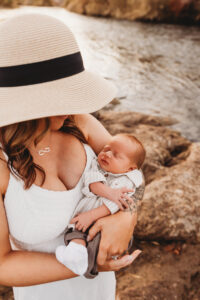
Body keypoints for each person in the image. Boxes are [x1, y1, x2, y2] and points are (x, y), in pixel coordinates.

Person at [0, 13, 143, 300]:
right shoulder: (3, 164)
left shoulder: (81, 123)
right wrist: (90, 263)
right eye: (60, 97)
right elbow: (2, 264)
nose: (74, 104)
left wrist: (127, 216)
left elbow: (132, 171)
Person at [56, 133, 145, 278]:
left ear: (130, 169)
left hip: (104, 224)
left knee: (96, 243)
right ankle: (74, 253)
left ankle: (87, 268)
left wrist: (91, 216)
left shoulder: (128, 181)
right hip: (84, 217)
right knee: (75, 233)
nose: (107, 154)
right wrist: (110, 192)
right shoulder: (96, 165)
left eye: (116, 155)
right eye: (106, 149)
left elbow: (116, 204)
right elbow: (92, 184)